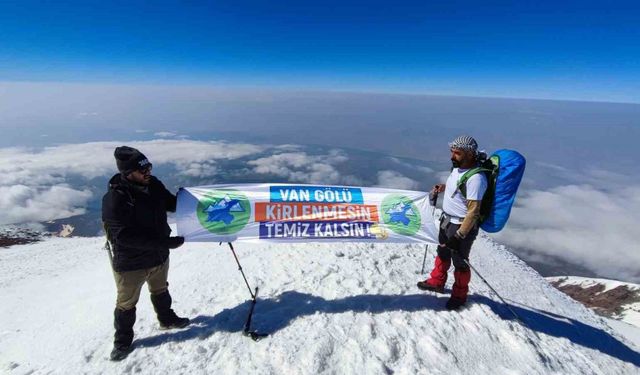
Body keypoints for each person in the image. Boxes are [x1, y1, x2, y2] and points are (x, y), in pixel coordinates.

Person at [102, 146, 189, 361]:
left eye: (149, 167)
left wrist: (191, 198)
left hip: (158, 254)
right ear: (128, 173)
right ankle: (122, 342)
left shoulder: (153, 185)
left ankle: (167, 319)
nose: (148, 173)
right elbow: (122, 237)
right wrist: (164, 243)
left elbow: (171, 204)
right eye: (143, 170)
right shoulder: (115, 198)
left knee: (160, 288)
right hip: (131, 262)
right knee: (126, 302)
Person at [417, 135, 487, 310]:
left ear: (470, 154)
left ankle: (459, 295)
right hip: (446, 221)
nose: (452, 156)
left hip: (460, 225)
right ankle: (437, 281)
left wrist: (459, 235)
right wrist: (444, 188)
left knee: (460, 261)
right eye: (452, 152)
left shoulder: (476, 179)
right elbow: (458, 188)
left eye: (457, 153)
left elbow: (473, 211)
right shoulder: (458, 169)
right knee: (442, 251)